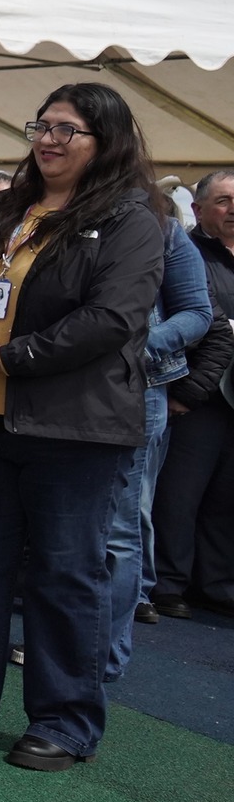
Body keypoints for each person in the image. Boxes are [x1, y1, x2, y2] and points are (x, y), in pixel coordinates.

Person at [0, 83, 163, 772]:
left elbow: (112, 321)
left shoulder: (133, 220)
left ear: (104, 142)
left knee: (63, 574)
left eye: (67, 130)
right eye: (41, 126)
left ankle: (64, 722)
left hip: (73, 430)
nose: (48, 140)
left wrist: (9, 357)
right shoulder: (11, 210)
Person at [104, 191, 208, 674]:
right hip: (60, 387)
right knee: (75, 526)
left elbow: (197, 313)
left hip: (135, 390)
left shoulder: (162, 225)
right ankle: (72, 643)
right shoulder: (55, 211)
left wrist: (136, 350)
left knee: (121, 526)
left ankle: (105, 650)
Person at [151, 170, 234, 621]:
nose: (233, 208)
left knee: (225, 499)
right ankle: (169, 584)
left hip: (228, 404)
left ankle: (217, 585)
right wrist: (190, 393)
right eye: (223, 200)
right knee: (178, 498)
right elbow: (205, 327)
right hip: (195, 400)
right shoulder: (185, 253)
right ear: (198, 210)